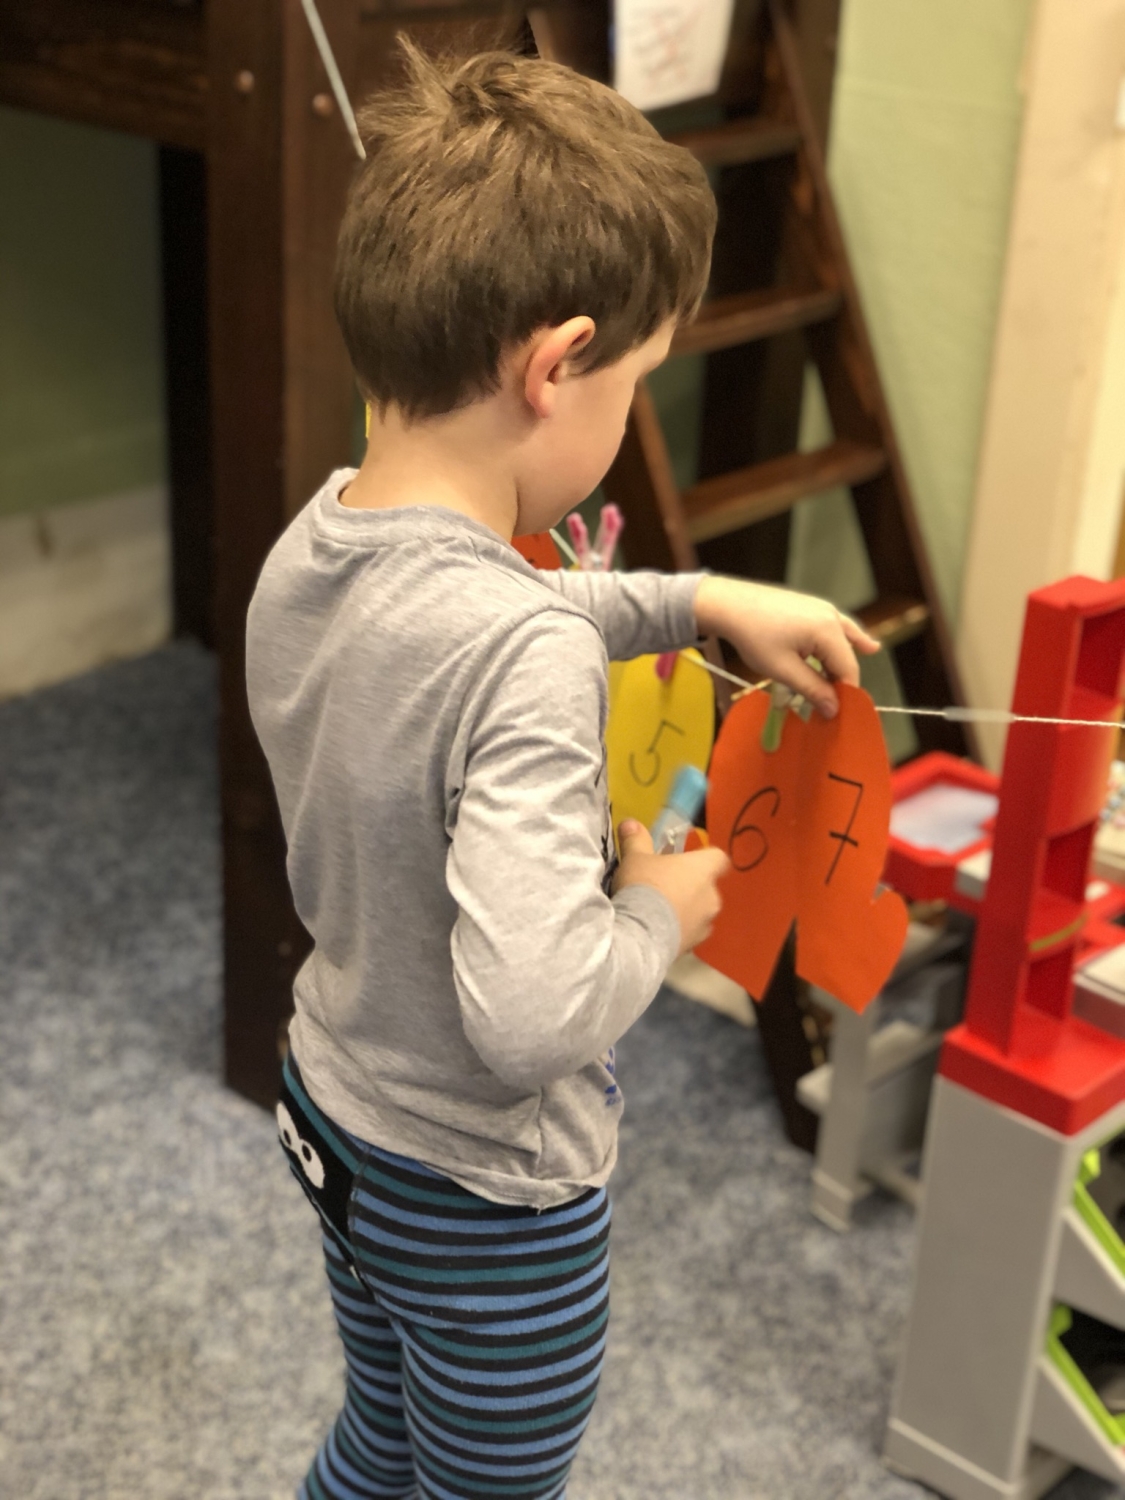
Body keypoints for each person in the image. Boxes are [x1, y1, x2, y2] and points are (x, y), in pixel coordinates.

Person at [247, 35, 878, 1500]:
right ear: (555, 368)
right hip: (485, 1201)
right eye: (635, 382)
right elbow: (532, 1017)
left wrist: (694, 600)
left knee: (380, 1444)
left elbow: (489, 620)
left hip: (335, 1111)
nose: (631, 411)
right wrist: (657, 912)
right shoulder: (517, 652)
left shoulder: (317, 544)